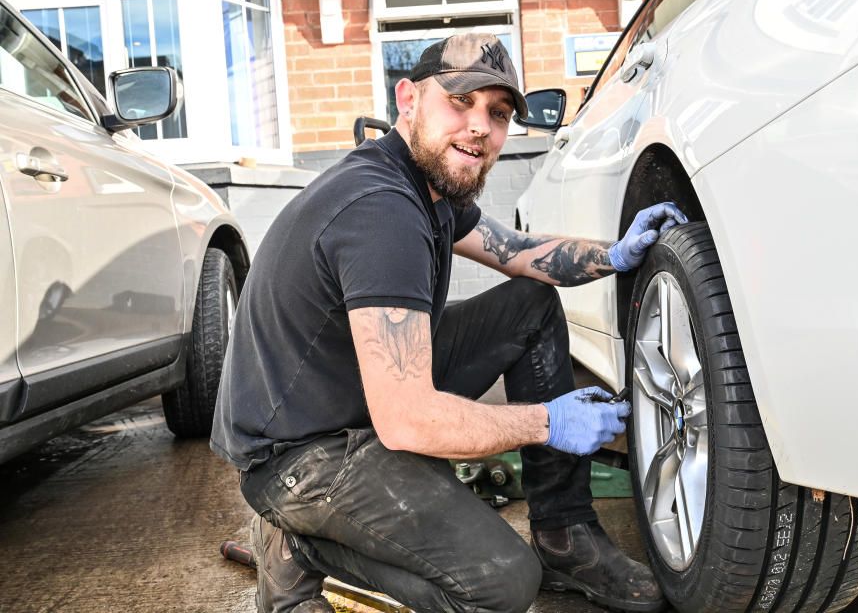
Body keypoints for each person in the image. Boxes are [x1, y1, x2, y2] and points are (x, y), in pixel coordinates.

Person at [210, 33, 687, 613]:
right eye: (460, 102)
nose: (480, 126)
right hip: (296, 456)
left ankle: (565, 536)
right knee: (502, 582)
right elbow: (409, 420)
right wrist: (544, 422)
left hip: (351, 394)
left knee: (529, 305)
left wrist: (613, 255)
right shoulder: (381, 212)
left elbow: (515, 250)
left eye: (498, 112)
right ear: (408, 100)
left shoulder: (430, 184)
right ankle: (303, 544)